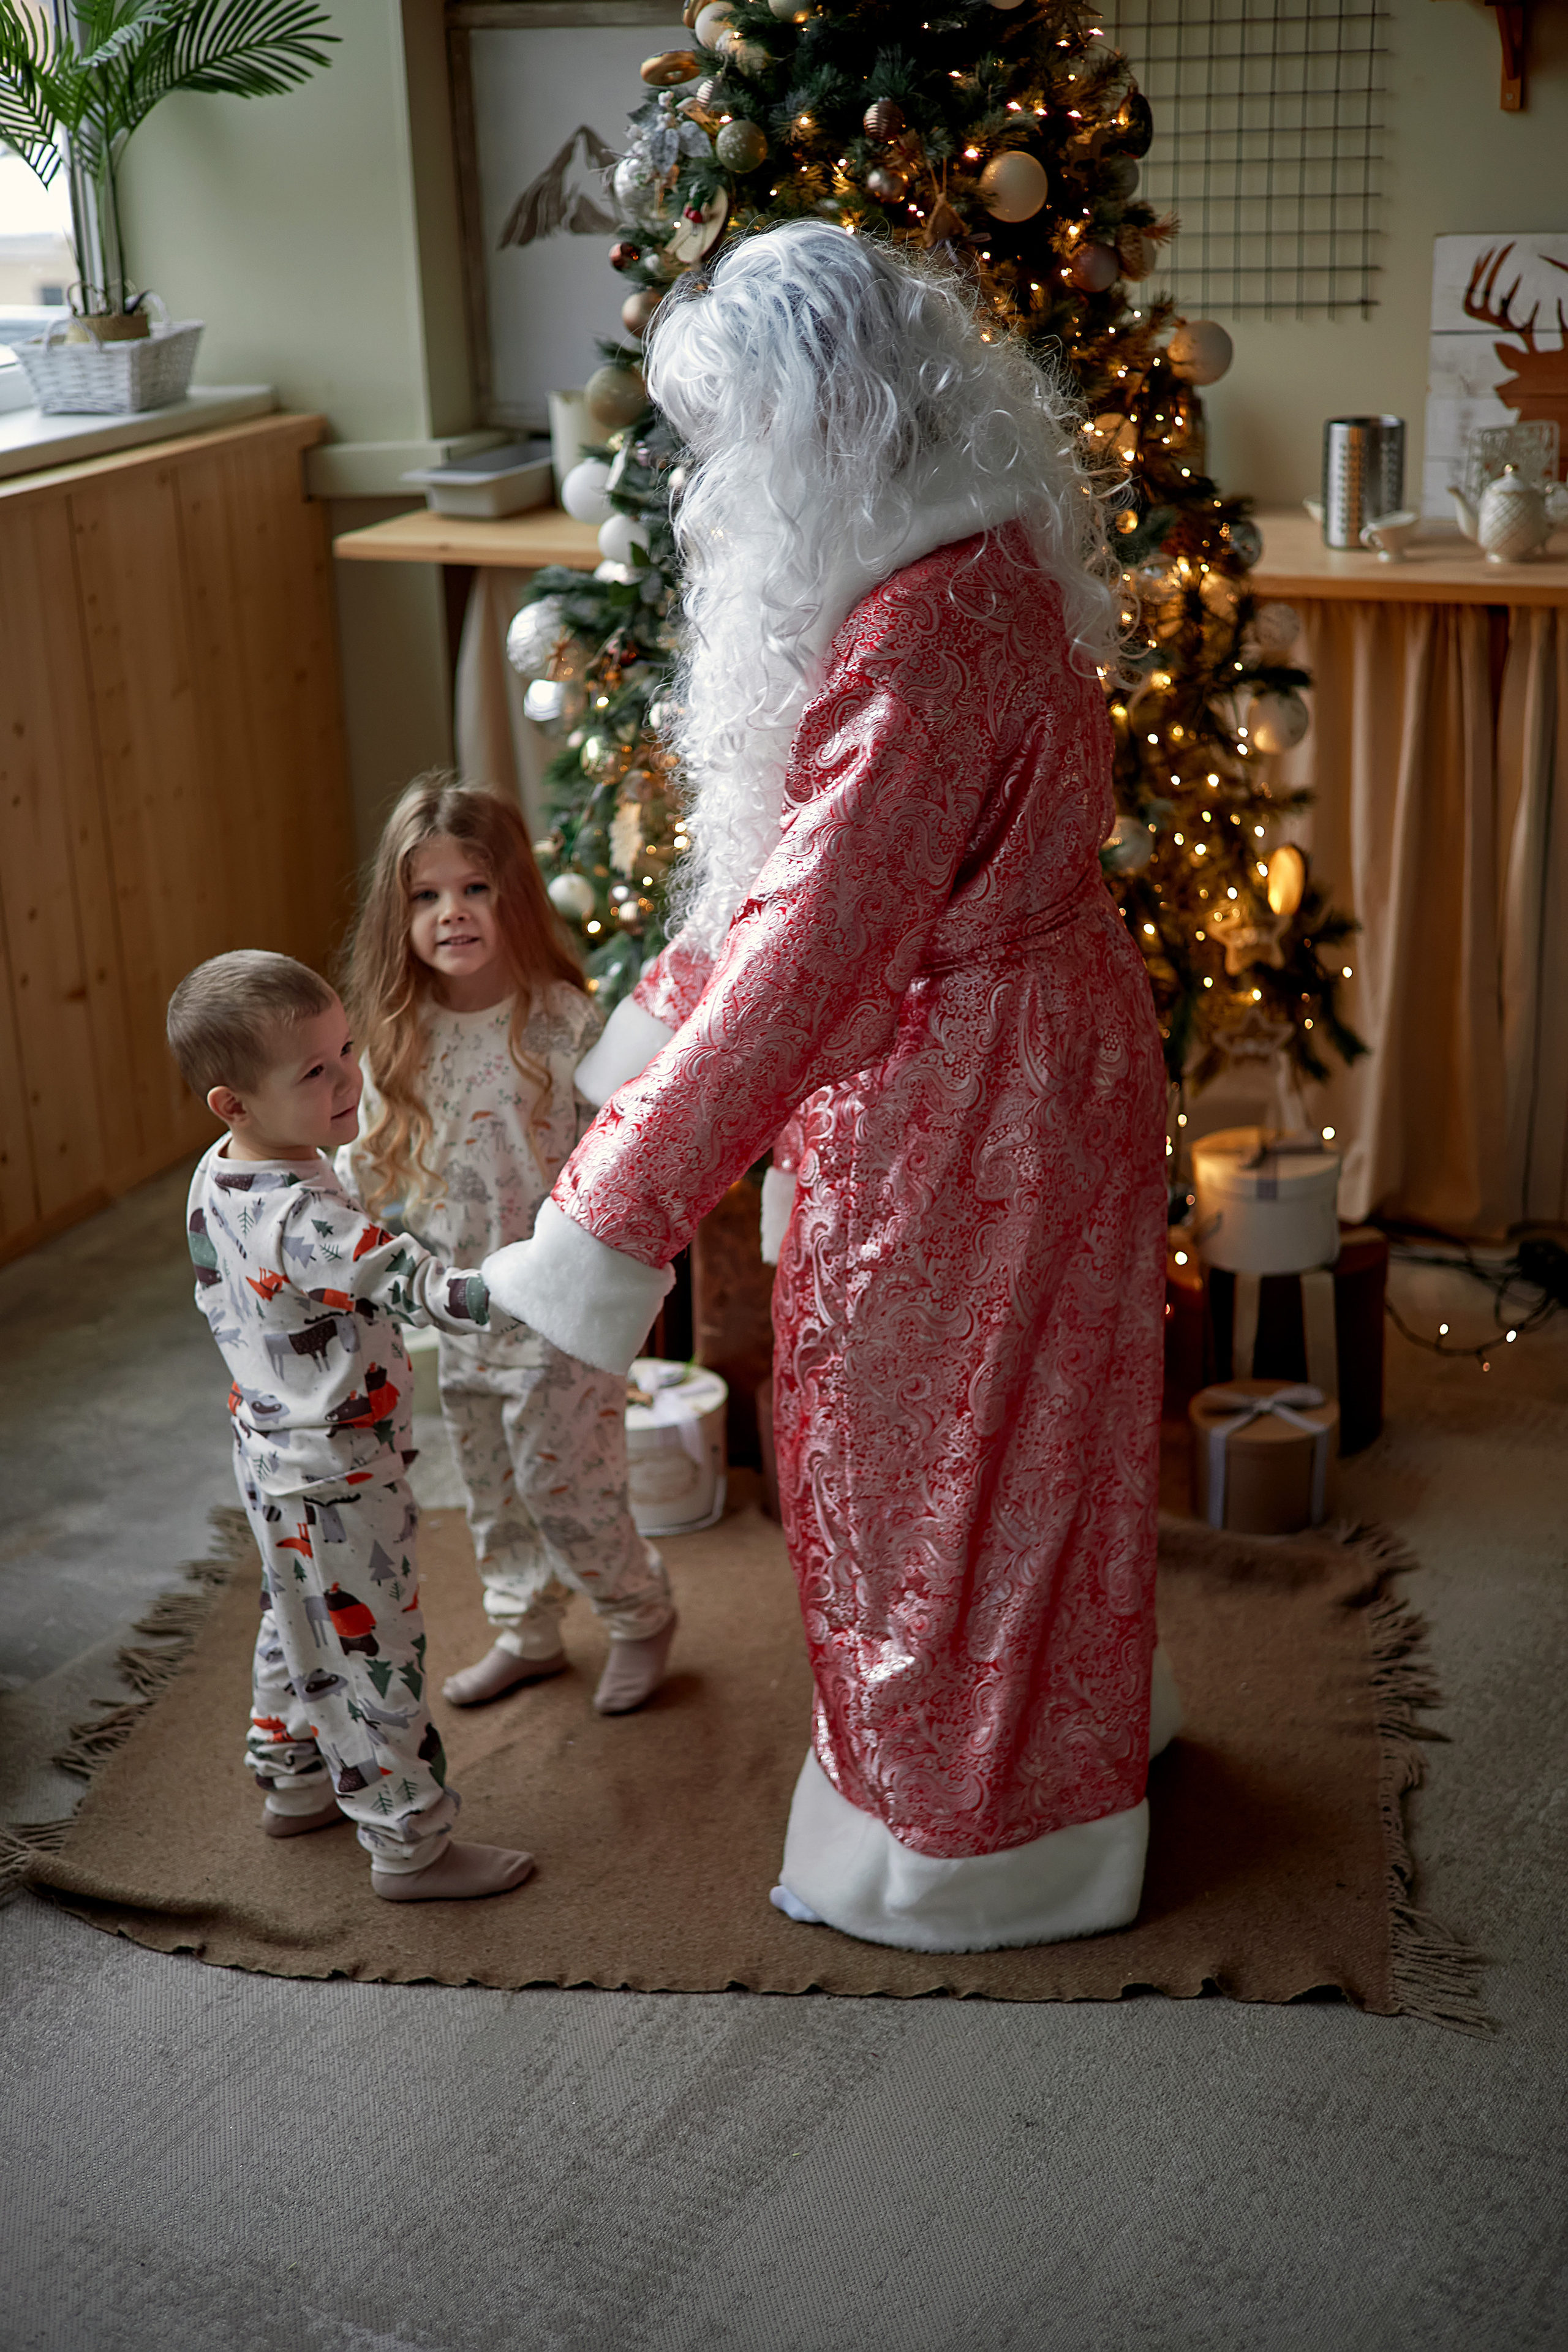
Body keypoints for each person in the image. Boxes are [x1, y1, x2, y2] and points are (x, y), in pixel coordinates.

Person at [486, 221, 1181, 1955]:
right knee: (1040, 1435)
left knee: (914, 1455)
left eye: (730, 436)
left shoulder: (916, 625)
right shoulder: (983, 556)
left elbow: (812, 941)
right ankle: (1055, 1770)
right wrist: (657, 1031)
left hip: (970, 1098)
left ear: (813, 423)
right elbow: (796, 877)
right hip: (1056, 1051)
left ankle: (958, 1846)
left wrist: (610, 1211)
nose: (714, 482)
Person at [167, 949, 535, 1902]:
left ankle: (291, 1778)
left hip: (271, 1449)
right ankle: (409, 1844)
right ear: (233, 1104)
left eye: (345, 1050)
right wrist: (545, 1281)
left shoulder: (222, 1171)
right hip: (337, 1470)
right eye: (315, 1071)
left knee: (297, 1618)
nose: (349, 1079)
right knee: (376, 1653)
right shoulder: (303, 1217)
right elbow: (420, 1286)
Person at [341, 777, 676, 1716]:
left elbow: (625, 1154)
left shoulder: (560, 1021)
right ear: (400, 914)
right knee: (490, 1485)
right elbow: (364, 1165)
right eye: (427, 894)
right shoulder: (399, 1036)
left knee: (566, 1483)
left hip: (559, 1307)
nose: (451, 912)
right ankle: (527, 1629)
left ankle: (639, 1612)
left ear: (514, 895)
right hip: (462, 1307)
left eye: (475, 888)